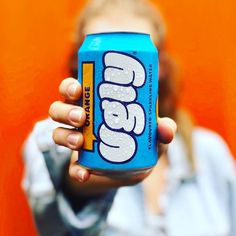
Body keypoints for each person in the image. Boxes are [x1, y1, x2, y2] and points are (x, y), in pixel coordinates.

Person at [22, 0, 236, 235]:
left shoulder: (210, 153)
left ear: (160, 65)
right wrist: (78, 184)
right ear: (79, 64)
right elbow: (53, 225)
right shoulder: (50, 143)